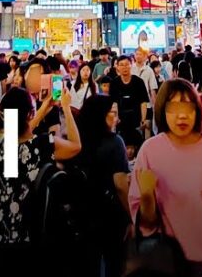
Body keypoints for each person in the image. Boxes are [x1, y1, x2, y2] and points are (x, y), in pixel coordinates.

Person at [130, 79, 202, 277]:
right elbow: (146, 225)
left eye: (188, 107)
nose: (182, 115)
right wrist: (147, 195)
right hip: (165, 263)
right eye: (174, 108)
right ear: (162, 110)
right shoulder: (149, 151)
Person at [0, 87, 81, 274]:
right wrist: (66, 108)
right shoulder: (43, 144)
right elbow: (75, 146)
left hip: (0, 232)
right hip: (30, 234)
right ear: (30, 114)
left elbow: (21, 131)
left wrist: (43, 108)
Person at [75, 95, 131, 277]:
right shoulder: (115, 143)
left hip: (82, 214)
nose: (118, 119)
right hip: (110, 216)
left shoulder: (76, 142)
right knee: (114, 265)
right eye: (113, 113)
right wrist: (132, 216)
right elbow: (120, 184)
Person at [110, 55, 151, 146]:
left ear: (131, 65)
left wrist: (143, 119)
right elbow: (114, 103)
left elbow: (143, 102)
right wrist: (116, 117)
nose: (124, 67)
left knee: (138, 144)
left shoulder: (139, 82)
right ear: (117, 67)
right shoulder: (114, 83)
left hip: (136, 119)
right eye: (121, 65)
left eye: (127, 64)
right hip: (121, 120)